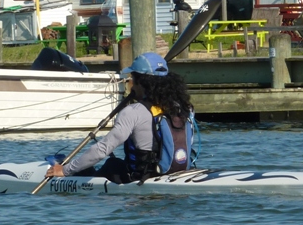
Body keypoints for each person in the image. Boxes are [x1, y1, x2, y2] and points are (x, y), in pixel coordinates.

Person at [44, 52, 195, 184]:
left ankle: (67, 170)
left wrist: (65, 170)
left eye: (131, 79)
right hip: (178, 173)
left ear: (141, 82)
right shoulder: (185, 109)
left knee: (112, 164)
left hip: (140, 178)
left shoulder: (133, 112)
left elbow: (103, 149)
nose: (130, 85)